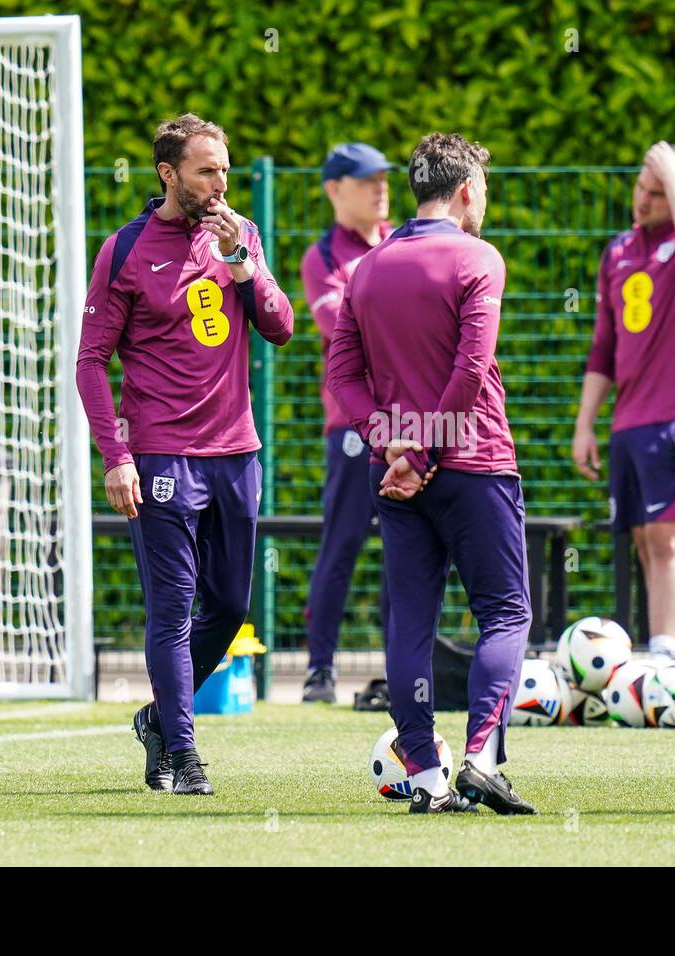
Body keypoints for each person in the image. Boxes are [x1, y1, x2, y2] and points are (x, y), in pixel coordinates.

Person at [76, 114, 293, 796]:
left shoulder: (242, 236)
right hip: (163, 457)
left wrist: (244, 265)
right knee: (172, 606)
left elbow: (282, 328)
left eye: (225, 169)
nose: (221, 182)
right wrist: (116, 454)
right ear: (168, 174)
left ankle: (158, 721)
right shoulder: (125, 249)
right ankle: (186, 752)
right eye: (207, 170)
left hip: (237, 454)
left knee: (229, 607)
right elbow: (90, 363)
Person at [327, 132, 535, 814]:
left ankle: (424, 777)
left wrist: (390, 447)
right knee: (505, 612)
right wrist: (421, 452)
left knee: (410, 621)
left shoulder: (368, 269)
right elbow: (469, 372)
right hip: (474, 463)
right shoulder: (478, 258)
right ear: (468, 188)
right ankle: (481, 756)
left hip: (399, 479)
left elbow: (341, 377)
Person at [572, 142, 675, 660]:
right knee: (645, 541)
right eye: (642, 186)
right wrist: (585, 424)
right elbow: (604, 346)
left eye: (658, 192)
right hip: (631, 420)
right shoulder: (618, 251)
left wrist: (674, 176)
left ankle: (664, 661)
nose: (643, 200)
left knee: (668, 540)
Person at [299, 143, 394, 704]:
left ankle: (404, 669)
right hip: (355, 427)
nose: (380, 188)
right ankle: (319, 672)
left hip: (413, 422)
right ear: (335, 189)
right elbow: (344, 334)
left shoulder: (403, 239)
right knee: (343, 542)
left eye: (383, 178)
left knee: (409, 547)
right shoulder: (322, 256)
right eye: (366, 180)